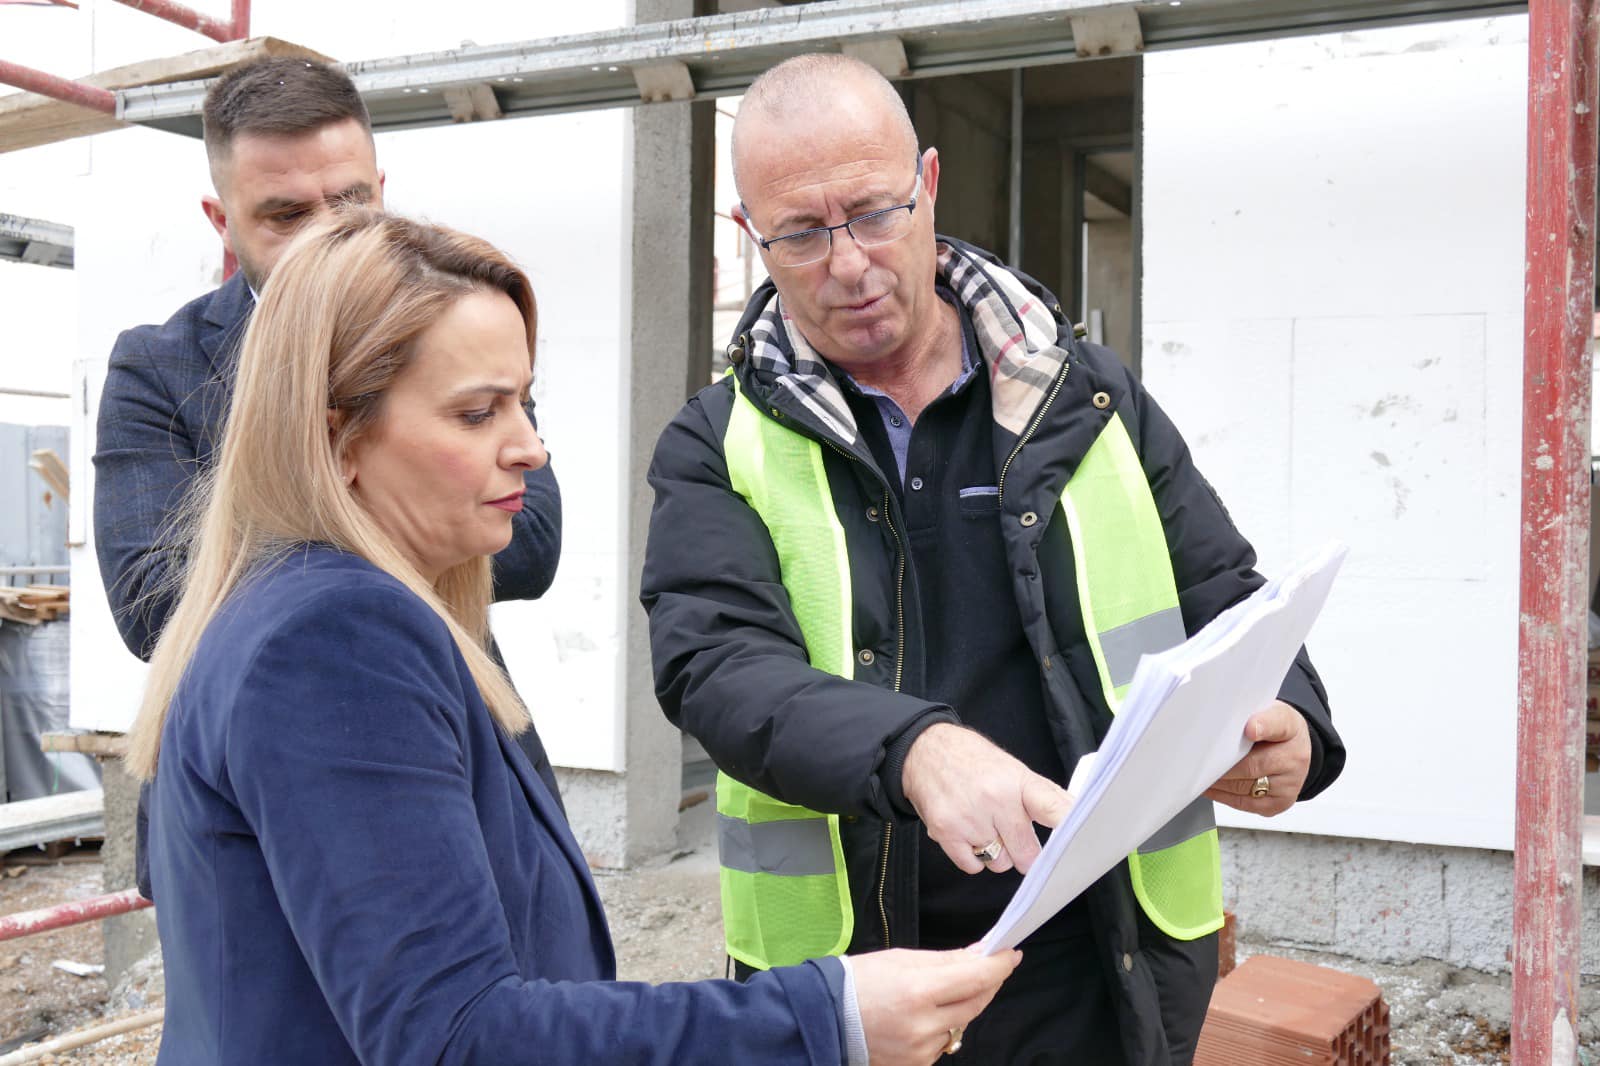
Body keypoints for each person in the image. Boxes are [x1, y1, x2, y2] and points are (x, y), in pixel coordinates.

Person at [123, 209, 1020, 1066]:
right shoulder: (335, 642)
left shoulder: (291, 607)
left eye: (525, 402)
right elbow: (457, 1038)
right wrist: (826, 1020)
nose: (531, 447)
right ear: (339, 440)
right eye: (477, 413)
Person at [640, 54, 1346, 1066]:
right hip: (859, 974)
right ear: (750, 232)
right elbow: (715, 667)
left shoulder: (1086, 395)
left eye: (874, 213)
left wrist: (1295, 724)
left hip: (1102, 954)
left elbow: (1221, 592)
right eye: (800, 233)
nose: (849, 264)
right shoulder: (715, 442)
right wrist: (917, 750)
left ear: (928, 184)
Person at [92, 57, 563, 898]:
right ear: (222, 222)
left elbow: (530, 542)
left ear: (382, 189)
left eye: (349, 203)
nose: (326, 237)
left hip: (457, 745)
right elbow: (151, 603)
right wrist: (408, 507)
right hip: (245, 798)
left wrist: (300, 516)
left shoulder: (451, 322)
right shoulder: (161, 366)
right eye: (285, 215)